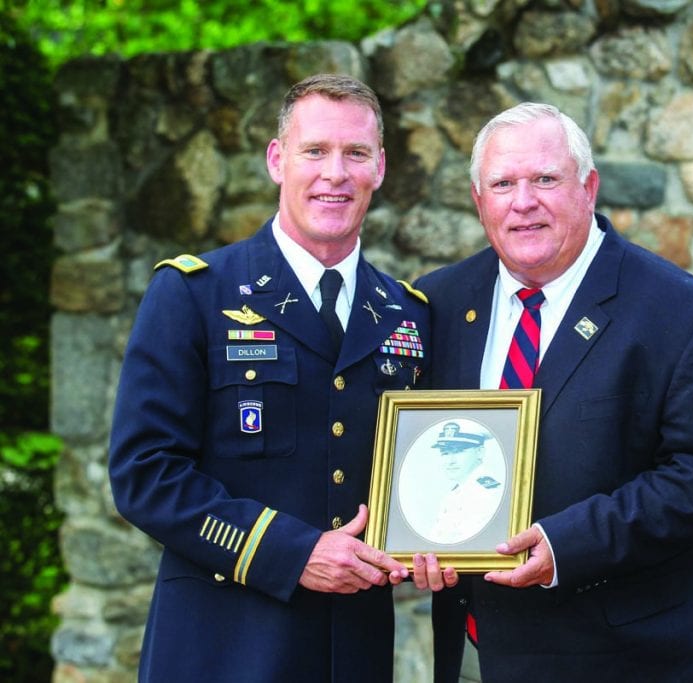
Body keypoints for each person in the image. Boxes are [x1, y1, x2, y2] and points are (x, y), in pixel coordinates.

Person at [108, 73, 451, 683]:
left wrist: (444, 543)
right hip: (223, 642)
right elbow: (145, 475)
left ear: (380, 168)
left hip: (354, 648)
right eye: (314, 151)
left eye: (355, 154)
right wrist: (292, 554)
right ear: (277, 160)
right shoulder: (195, 294)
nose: (334, 173)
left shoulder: (406, 313)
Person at [416, 102, 693, 682]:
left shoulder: (686, 315)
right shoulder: (438, 303)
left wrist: (569, 542)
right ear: (479, 201)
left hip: (634, 656)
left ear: (589, 187)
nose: (523, 201)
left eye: (545, 179)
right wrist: (414, 537)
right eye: (502, 184)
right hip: (482, 648)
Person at [425, 422, 503, 544]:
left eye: (458, 451)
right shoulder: (457, 491)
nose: (451, 461)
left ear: (480, 452)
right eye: (445, 453)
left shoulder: (486, 493)